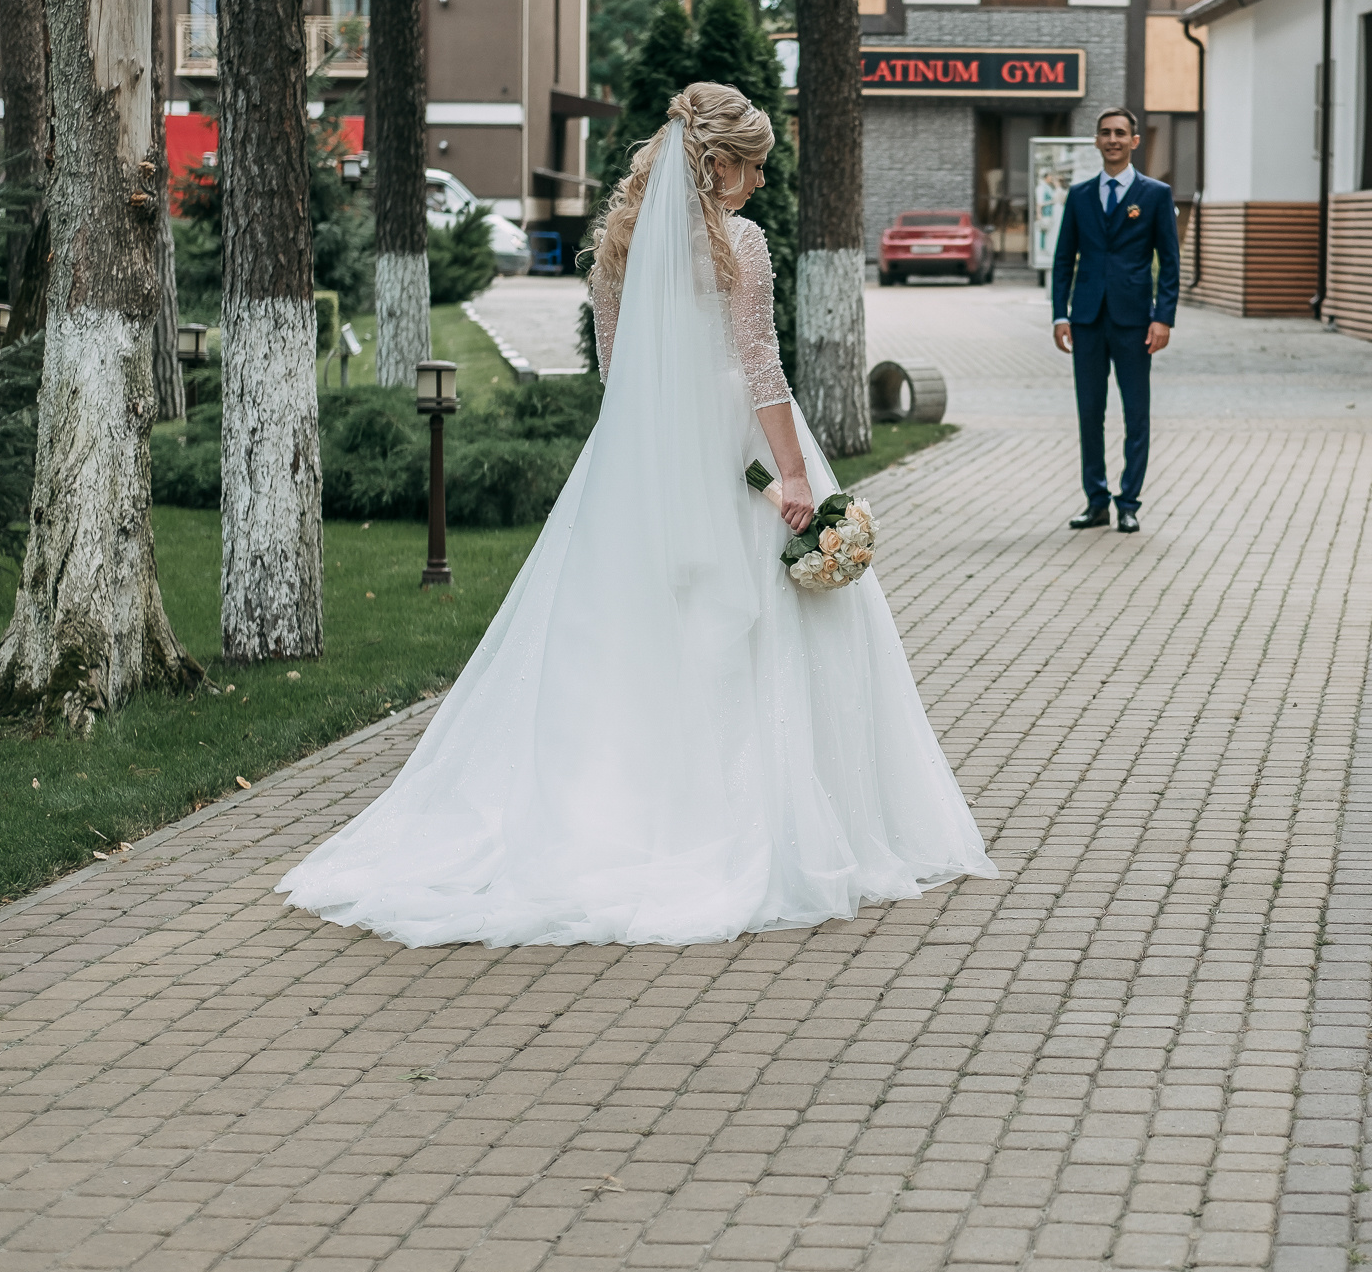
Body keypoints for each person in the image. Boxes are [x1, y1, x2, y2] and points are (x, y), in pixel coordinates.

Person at [277, 83, 997, 947]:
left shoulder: (613, 251)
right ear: (718, 163)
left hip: (642, 460)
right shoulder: (742, 245)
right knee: (753, 638)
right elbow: (761, 367)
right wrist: (794, 479)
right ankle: (765, 822)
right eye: (754, 166)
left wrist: (678, 452)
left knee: (628, 635)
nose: (761, 184)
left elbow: (620, 382)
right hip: (741, 443)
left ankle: (619, 808)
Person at [1049, 106, 1180, 534]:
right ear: (1096, 141)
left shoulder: (1155, 194)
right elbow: (1064, 258)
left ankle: (1129, 502)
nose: (1113, 140)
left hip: (1134, 321)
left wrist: (1163, 319)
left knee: (1135, 414)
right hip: (1086, 319)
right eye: (1105, 133)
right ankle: (1096, 501)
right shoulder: (1081, 195)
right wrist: (1059, 314)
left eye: (1121, 133)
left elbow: (1171, 263)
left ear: (1134, 141)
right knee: (1090, 412)